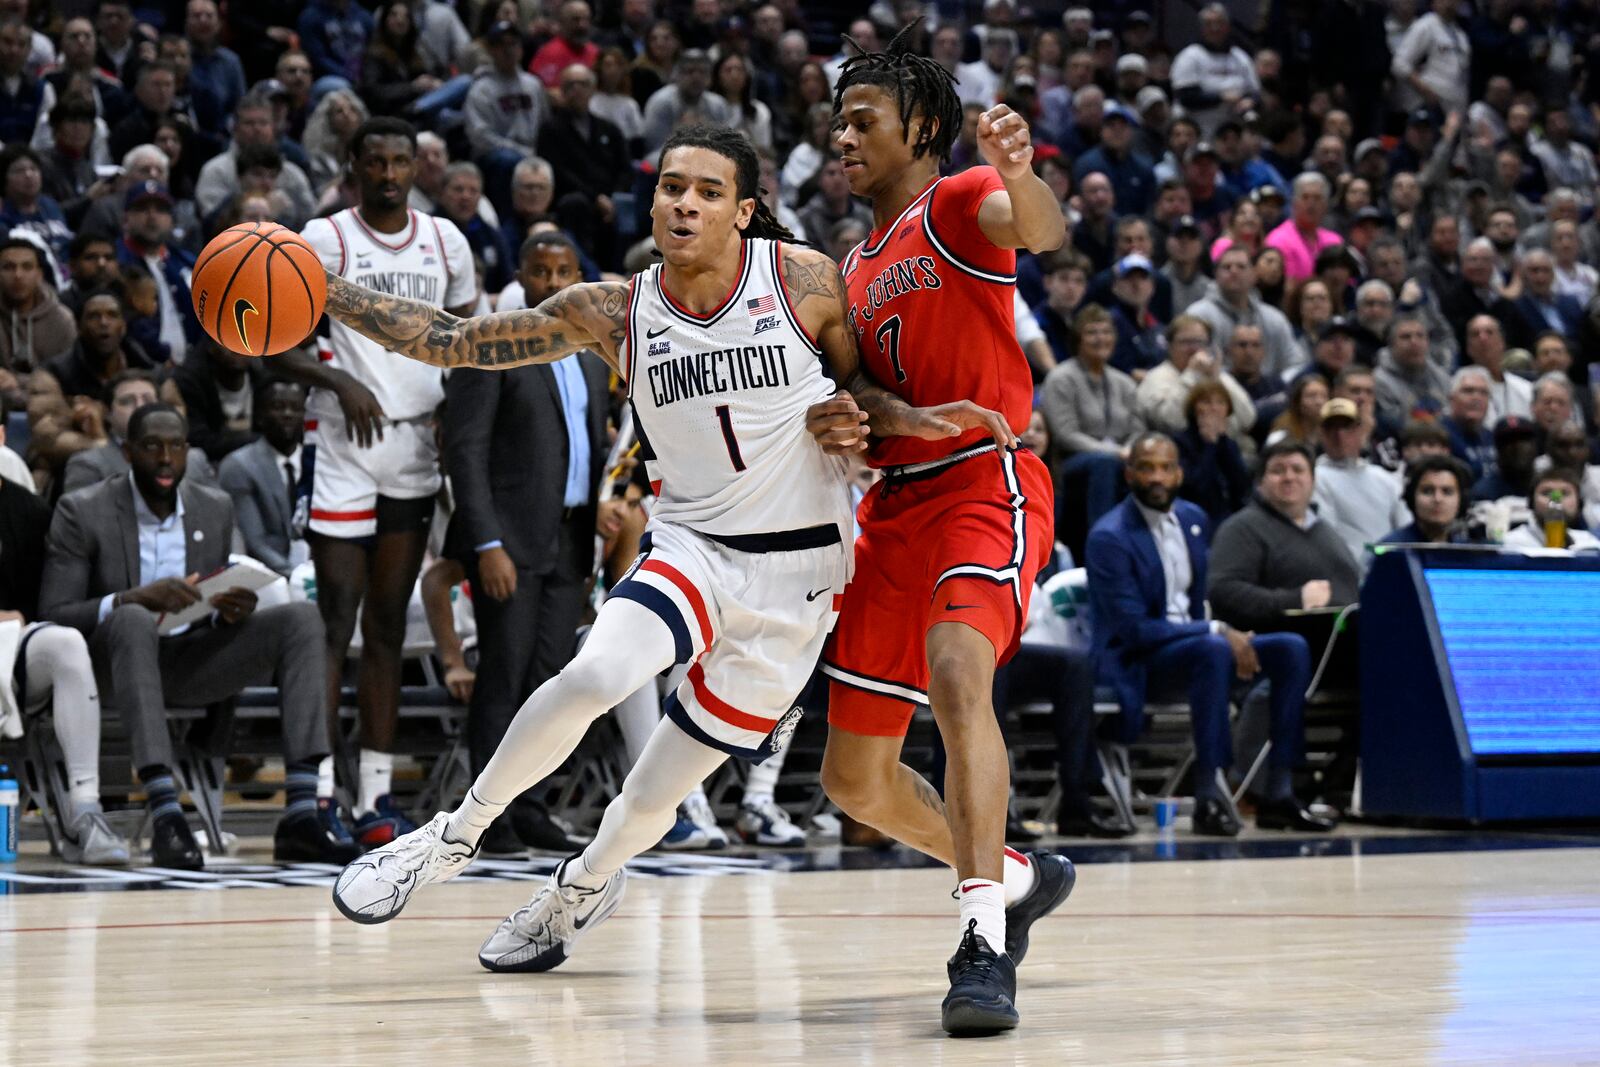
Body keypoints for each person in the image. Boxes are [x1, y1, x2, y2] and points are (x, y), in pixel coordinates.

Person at [326, 124, 1039, 1032]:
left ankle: (578, 890)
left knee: (648, 802)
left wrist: (890, 422)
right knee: (594, 671)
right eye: (671, 188)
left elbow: (862, 401)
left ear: (743, 211)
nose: (684, 204)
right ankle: (451, 836)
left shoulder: (805, 283)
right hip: (694, 548)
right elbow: (458, 340)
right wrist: (326, 291)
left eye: (706, 191)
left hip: (797, 587)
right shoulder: (616, 311)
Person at [817, 30, 1078, 1036]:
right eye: (839, 120)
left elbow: (1038, 229)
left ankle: (979, 938)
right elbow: (863, 394)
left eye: (862, 121)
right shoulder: (852, 263)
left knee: (959, 672)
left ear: (919, 128)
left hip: (983, 480)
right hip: (890, 510)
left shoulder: (959, 200)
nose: (842, 138)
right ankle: (1013, 872)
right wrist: (853, 412)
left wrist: (1019, 171)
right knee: (854, 779)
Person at [39, 402, 360, 869]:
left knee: (302, 619)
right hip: (113, 668)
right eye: (152, 447)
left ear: (189, 451)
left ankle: (302, 814)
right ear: (128, 453)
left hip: (193, 660)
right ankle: (167, 813)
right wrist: (130, 599)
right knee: (132, 620)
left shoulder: (214, 505)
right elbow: (55, 613)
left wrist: (231, 609)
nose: (166, 458)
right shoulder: (82, 511)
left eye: (176, 446)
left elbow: (226, 585)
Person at [279, 117, 477, 846]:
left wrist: (452, 424)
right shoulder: (323, 238)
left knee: (388, 625)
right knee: (336, 620)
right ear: (353, 165)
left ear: (416, 167)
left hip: (413, 447)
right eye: (377, 160)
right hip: (340, 441)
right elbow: (273, 339)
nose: (390, 171)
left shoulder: (447, 243)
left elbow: (465, 343)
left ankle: (376, 800)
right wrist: (333, 376)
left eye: (402, 160)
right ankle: (318, 795)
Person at [440, 232, 615, 854]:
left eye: (563, 271)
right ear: (521, 275)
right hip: (508, 544)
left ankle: (532, 803)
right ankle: (482, 817)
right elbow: (464, 451)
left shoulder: (593, 355)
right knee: (504, 675)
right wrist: (484, 542)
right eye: (540, 272)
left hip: (570, 539)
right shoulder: (493, 343)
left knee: (553, 682)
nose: (552, 282)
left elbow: (593, 449)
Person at [1085, 433, 1333, 837]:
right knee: (1213, 650)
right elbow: (1133, 630)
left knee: (1291, 648)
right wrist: (1217, 631)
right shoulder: (1109, 536)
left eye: (1166, 467)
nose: (1157, 477)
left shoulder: (1193, 519)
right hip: (1138, 660)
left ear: (1180, 473)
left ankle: (1281, 791)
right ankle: (1209, 795)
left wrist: (1224, 633)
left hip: (1198, 650)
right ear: (1129, 474)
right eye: (1147, 468)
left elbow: (1201, 599)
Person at [0, 444, 126, 863]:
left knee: (65, 643)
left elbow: (49, 604)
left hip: (10, 655)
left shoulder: (31, 513)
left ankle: (85, 813)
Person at [1208, 441, 1363, 634]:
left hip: (1350, 636)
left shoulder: (1327, 531)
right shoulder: (1242, 528)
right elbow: (1222, 592)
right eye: (1278, 471)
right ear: (1260, 482)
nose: (1289, 477)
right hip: (1285, 641)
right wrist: (1294, 600)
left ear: (1313, 481)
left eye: (1298, 470)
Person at [1041, 305, 1142, 536]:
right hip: (1069, 463)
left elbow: (1138, 428)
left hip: (1121, 457)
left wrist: (1129, 449)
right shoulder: (1061, 378)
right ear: (1078, 339)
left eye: (1106, 332)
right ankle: (1102, 536)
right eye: (1092, 332)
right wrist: (1114, 452)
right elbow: (1065, 434)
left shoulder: (1123, 382)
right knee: (1104, 463)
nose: (1101, 339)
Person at [217, 378, 309, 576]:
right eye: (278, 407)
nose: (287, 414)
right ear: (259, 416)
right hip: (265, 576)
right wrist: (296, 578)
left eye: (296, 408)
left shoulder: (321, 463)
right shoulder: (239, 466)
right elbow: (255, 543)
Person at [1312, 397, 1409, 562]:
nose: (1339, 435)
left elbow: (1406, 529)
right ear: (1321, 434)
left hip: (1388, 567)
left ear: (1360, 430)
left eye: (1346, 427)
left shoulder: (1384, 479)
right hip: (1343, 572)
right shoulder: (1314, 478)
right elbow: (1326, 537)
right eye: (1331, 428)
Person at [1184, 244, 1300, 379]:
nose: (1234, 271)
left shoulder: (1274, 318)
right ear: (1216, 274)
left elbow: (1295, 364)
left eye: (1241, 267)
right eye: (1227, 267)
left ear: (1254, 274)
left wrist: (1276, 386)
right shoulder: (1198, 316)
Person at [1135, 314, 1255, 439]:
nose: (1194, 349)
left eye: (1200, 342)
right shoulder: (1157, 377)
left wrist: (1216, 378)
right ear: (1170, 346)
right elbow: (1170, 423)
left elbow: (1247, 419)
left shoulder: (1216, 375)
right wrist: (1191, 375)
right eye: (1186, 342)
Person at [1169, 3, 1259, 136]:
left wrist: (1250, 101)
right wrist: (1221, 97)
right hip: (1198, 132)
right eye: (1209, 24)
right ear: (1202, 28)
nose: (1215, 28)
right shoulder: (1190, 56)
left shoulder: (1240, 57)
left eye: (1220, 23)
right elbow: (1187, 98)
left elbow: (1255, 92)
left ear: (1228, 26)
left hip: (1233, 133)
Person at [1174, 380, 1251, 527]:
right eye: (1207, 402)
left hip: (1230, 516)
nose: (1214, 408)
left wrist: (1221, 442)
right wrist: (1209, 445)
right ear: (1194, 408)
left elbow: (1241, 486)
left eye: (1221, 402)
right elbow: (1196, 489)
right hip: (1194, 515)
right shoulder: (1180, 442)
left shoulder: (1229, 444)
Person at [0, 235, 76, 373]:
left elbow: (70, 376)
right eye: (9, 267)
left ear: (39, 274)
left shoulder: (61, 320)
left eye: (27, 267)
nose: (18, 275)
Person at [1264, 173, 1341, 284]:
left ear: (1325, 205)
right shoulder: (1278, 241)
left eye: (1317, 198)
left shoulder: (1335, 242)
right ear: (1294, 203)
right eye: (1305, 197)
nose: (1311, 204)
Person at [1380, 454, 1474, 545]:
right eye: (1427, 491)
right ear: (1412, 496)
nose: (1437, 499)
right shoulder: (1391, 549)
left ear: (1461, 499)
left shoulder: (1468, 552)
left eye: (1447, 492)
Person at [1375, 315, 1451, 425]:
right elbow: (1396, 425)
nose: (1414, 342)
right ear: (1392, 345)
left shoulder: (1440, 376)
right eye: (1406, 337)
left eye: (1420, 336)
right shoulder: (1380, 381)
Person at [1503, 467, 1600, 551]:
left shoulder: (1589, 543)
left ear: (1579, 504)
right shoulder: (1511, 544)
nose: (1555, 500)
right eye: (1546, 493)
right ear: (1531, 503)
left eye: (1564, 493)